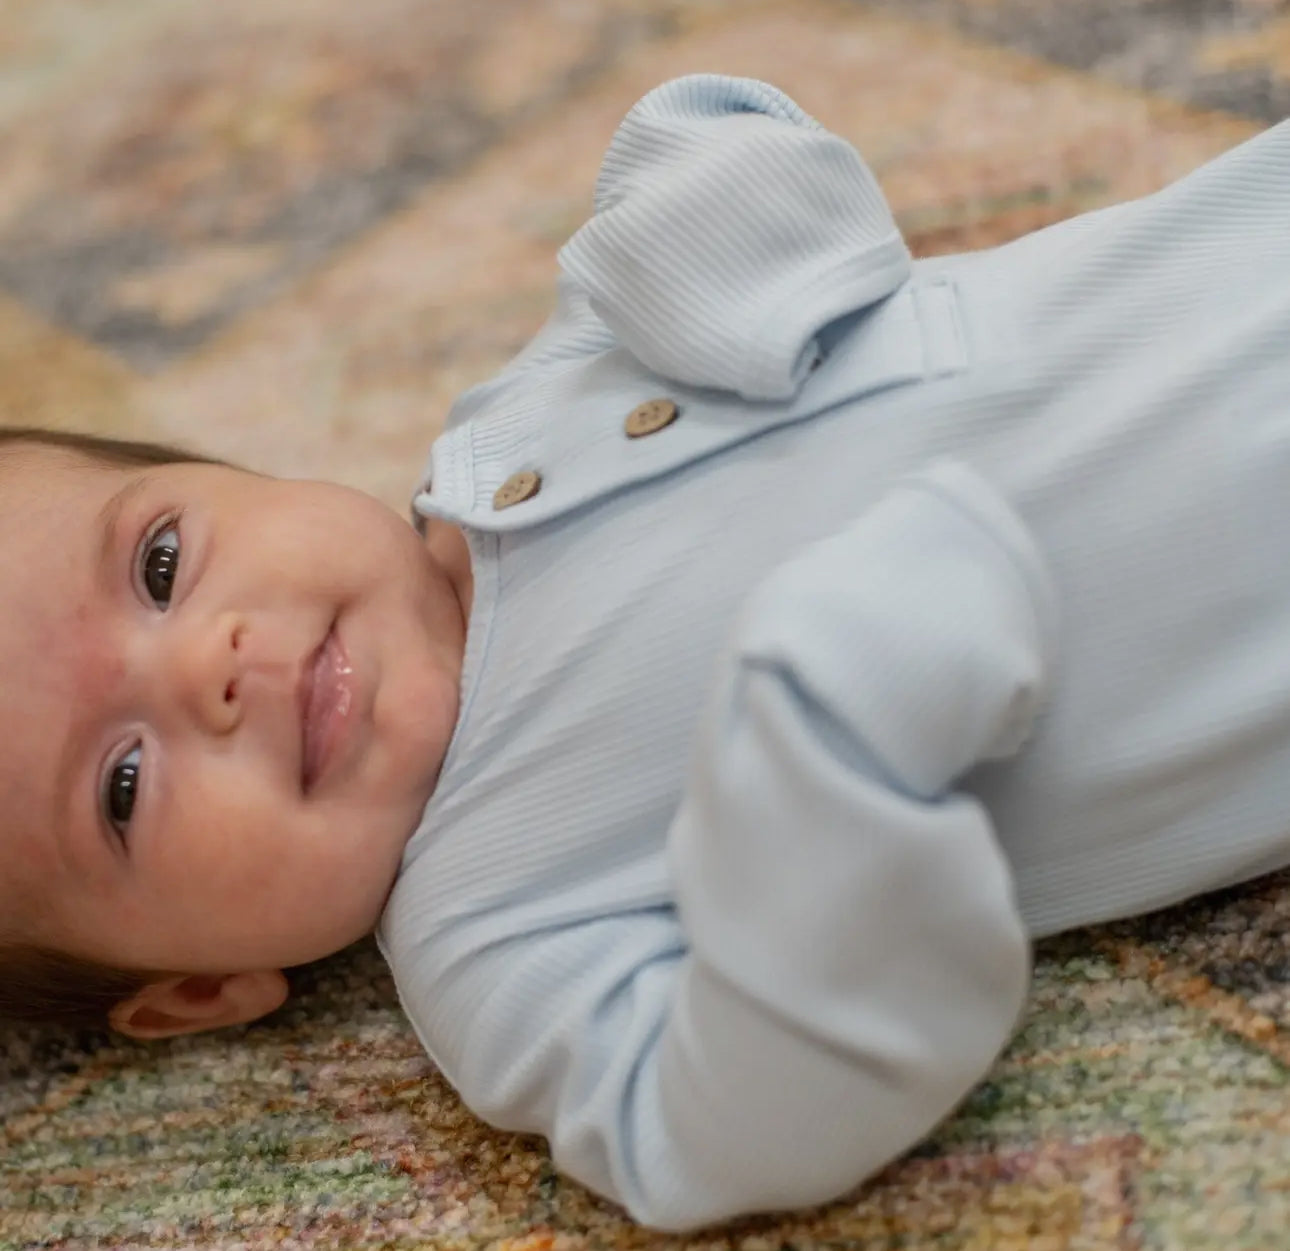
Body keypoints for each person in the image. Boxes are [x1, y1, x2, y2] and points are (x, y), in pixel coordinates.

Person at [4, 73, 1290, 1231]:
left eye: (160, 566)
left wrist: (718, 230)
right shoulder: (488, 936)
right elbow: (736, 1128)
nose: (210, 670)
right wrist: (835, 762)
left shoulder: (504, 430)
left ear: (225, 472)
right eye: (123, 783)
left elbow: (717, 138)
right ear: (195, 990)